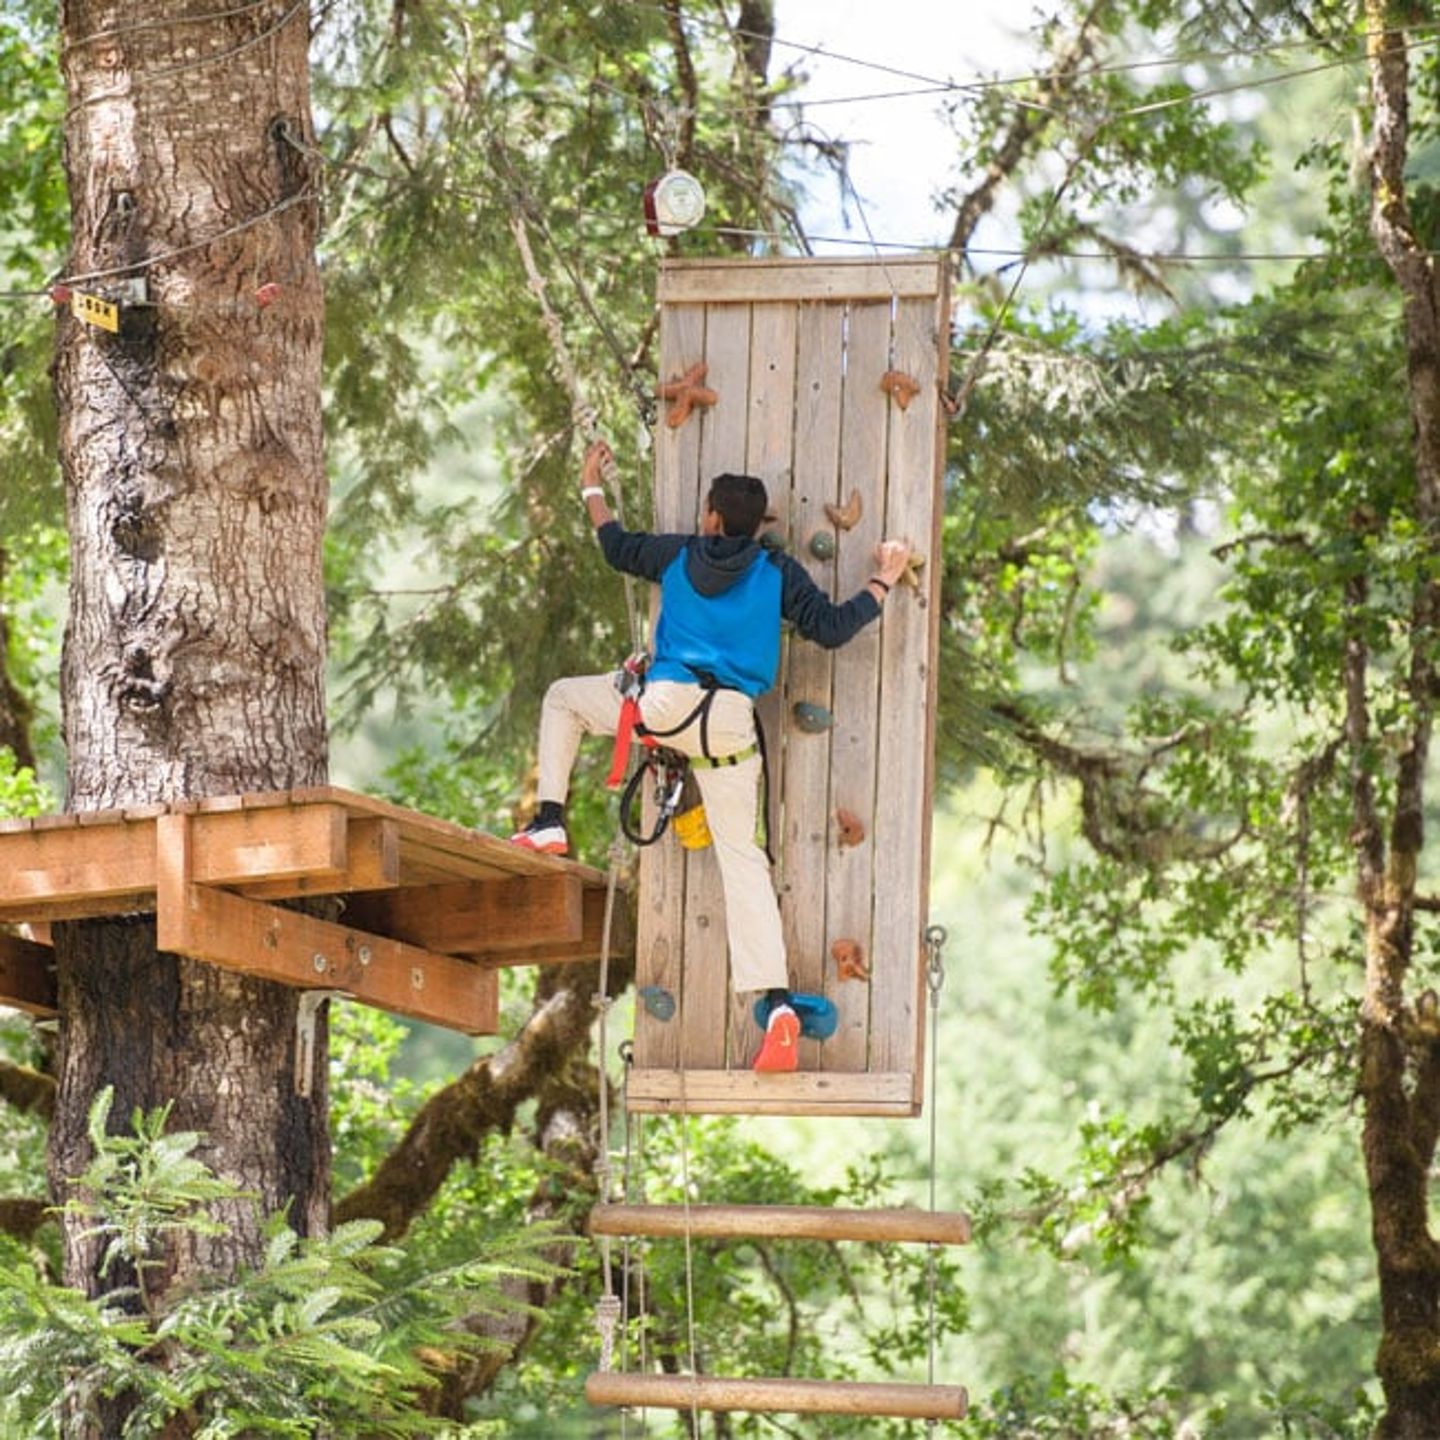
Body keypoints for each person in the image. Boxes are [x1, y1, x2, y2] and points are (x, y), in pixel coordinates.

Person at [512, 437, 912, 1073]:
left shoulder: (679, 554)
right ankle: (777, 1004)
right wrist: (882, 579)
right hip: (727, 726)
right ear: (757, 527)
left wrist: (593, 483)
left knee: (563, 699)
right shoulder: (777, 574)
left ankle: (549, 820)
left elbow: (614, 544)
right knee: (742, 860)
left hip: (665, 707)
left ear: (712, 519)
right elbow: (833, 628)